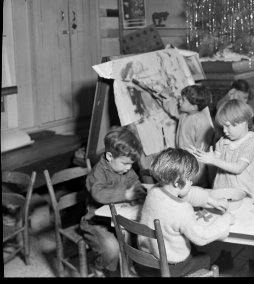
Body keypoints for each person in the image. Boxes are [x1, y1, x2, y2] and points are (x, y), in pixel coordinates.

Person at [138, 148, 235, 277]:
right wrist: (225, 221)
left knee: (192, 249)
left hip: (145, 261)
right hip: (170, 267)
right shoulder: (182, 209)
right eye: (190, 180)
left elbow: (186, 194)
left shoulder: (154, 191)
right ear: (178, 183)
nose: (192, 182)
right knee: (205, 256)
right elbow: (201, 237)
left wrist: (211, 201)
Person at [80, 126, 147, 277]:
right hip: (95, 222)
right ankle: (97, 266)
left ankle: (127, 268)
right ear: (110, 156)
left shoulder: (125, 168)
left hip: (118, 219)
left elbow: (134, 180)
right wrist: (127, 194)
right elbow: (99, 195)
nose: (129, 168)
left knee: (138, 239)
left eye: (131, 164)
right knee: (112, 249)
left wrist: (138, 190)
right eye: (125, 163)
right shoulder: (98, 173)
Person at [192, 98, 254, 195]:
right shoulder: (223, 142)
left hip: (247, 194)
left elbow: (238, 168)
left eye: (227, 126)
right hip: (224, 190)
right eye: (222, 126)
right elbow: (216, 161)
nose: (224, 130)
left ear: (242, 122)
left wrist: (213, 160)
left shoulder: (250, 144)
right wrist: (203, 156)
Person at [176, 85, 215, 188]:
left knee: (195, 190)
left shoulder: (201, 121)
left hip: (196, 166)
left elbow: (202, 149)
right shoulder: (185, 114)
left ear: (193, 106)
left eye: (183, 100)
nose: (179, 101)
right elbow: (172, 109)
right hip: (183, 162)